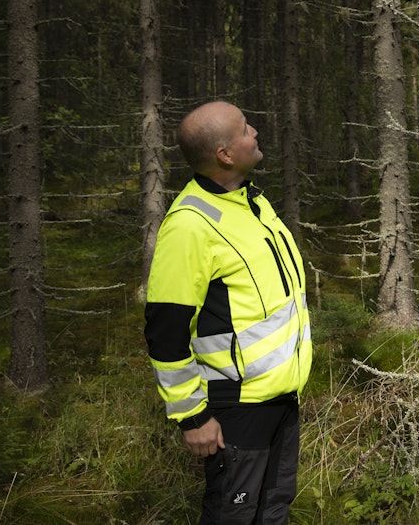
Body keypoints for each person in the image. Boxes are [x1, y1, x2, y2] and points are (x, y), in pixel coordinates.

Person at [144, 100, 313, 524]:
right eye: (244, 129)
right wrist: (192, 417)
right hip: (237, 411)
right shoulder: (189, 226)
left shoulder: (251, 202)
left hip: (280, 400)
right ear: (224, 154)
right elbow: (166, 331)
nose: (255, 132)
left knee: (272, 512)